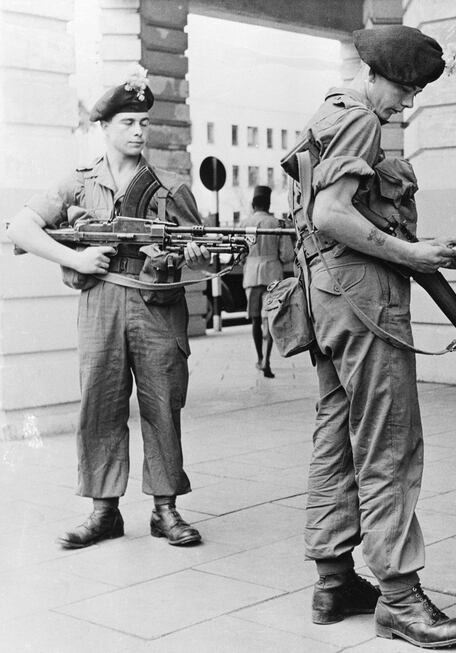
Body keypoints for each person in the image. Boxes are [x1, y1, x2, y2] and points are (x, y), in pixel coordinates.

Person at [285, 25, 456, 649]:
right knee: (389, 439)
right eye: (403, 87)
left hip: (328, 295)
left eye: (416, 90)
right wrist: (413, 254)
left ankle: (334, 580)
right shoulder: (362, 119)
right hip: (364, 297)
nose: (408, 101)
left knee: (337, 433)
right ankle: (399, 596)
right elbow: (331, 213)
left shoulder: (328, 111)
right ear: (371, 74)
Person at [6, 70, 212, 549]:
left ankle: (165, 509)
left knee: (163, 405)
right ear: (104, 126)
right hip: (101, 303)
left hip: (158, 305)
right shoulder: (79, 184)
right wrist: (77, 258)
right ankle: (103, 511)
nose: (139, 131)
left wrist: (195, 254)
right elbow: (20, 228)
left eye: (144, 122)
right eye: (128, 122)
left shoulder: (170, 187)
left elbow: (200, 252)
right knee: (99, 403)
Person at [241, 185, 284, 378]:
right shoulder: (276, 223)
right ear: (268, 204)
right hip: (272, 274)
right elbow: (287, 254)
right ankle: (267, 359)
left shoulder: (245, 224)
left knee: (256, 320)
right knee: (270, 318)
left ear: (253, 204)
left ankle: (259, 358)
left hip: (252, 275)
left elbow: (239, 254)